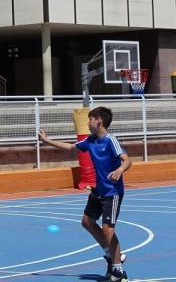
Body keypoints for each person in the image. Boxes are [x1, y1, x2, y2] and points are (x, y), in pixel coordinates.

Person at [39, 106, 132, 282]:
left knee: (108, 229)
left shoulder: (111, 140)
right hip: (98, 190)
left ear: (99, 121)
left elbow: (127, 160)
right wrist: (47, 141)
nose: (88, 123)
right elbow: (70, 148)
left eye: (90, 119)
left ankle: (118, 269)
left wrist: (120, 169)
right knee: (87, 222)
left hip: (112, 193)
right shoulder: (90, 141)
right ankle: (110, 254)